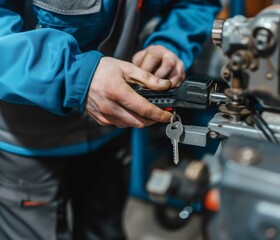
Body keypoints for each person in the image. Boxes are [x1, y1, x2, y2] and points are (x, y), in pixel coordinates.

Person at [0, 0, 221, 239]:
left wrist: (170, 44)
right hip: (26, 143)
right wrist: (76, 75)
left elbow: (196, 3)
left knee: (105, 231)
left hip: (112, 132)